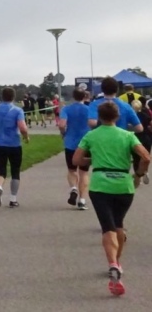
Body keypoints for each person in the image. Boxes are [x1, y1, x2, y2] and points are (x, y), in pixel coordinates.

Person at [72, 101, 150, 296]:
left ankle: (113, 263)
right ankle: (117, 262)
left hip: (100, 185)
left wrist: (94, 159)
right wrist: (139, 174)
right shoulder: (127, 135)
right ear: (117, 116)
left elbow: (76, 160)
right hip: (123, 185)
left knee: (108, 227)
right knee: (118, 224)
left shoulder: (91, 135)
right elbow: (146, 157)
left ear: (99, 117)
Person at [0, 87, 30, 208]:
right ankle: (13, 199)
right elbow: (22, 127)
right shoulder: (17, 110)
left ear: (2, 96)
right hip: (14, 144)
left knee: (0, 170)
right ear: (13, 97)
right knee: (15, 171)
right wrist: (26, 137)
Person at [58, 88, 91, 209]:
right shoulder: (89, 109)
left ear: (73, 96)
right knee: (84, 172)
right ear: (85, 97)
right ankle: (82, 200)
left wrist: (63, 133)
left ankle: (73, 188)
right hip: (86, 143)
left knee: (72, 170)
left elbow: (62, 124)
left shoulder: (66, 109)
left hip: (70, 143)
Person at [131, 99, 152, 186]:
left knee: (136, 159)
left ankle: (138, 176)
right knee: (145, 157)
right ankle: (145, 171)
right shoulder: (146, 115)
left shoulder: (132, 117)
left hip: (135, 139)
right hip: (146, 138)